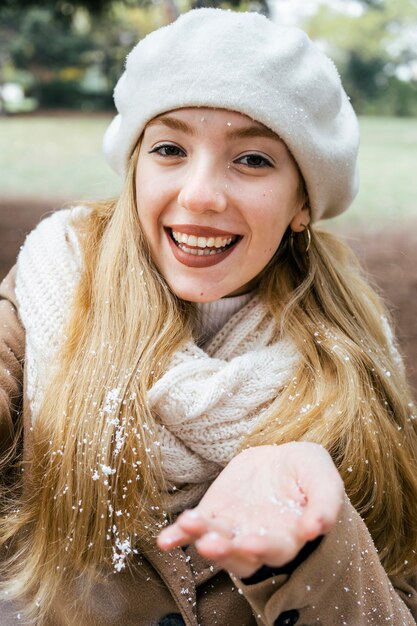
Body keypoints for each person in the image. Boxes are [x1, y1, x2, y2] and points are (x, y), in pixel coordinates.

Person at [0, 7, 417, 626]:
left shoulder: (357, 359)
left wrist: (313, 547)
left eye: (252, 160)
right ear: (135, 169)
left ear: (304, 201)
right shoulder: (52, 283)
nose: (199, 194)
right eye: (170, 148)